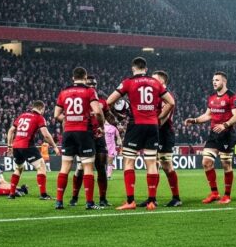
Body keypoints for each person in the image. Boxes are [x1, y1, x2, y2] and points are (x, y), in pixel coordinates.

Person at [107, 57, 174, 210]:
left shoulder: (128, 82)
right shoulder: (156, 83)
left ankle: (130, 201)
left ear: (133, 68)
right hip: (152, 126)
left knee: (129, 161)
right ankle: (151, 201)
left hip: (135, 125)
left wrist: (116, 116)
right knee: (151, 162)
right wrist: (159, 117)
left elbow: (109, 101)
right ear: (146, 68)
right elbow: (171, 102)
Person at [184, 71, 236, 205]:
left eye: (217, 80)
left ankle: (227, 195)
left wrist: (225, 125)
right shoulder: (211, 98)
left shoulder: (232, 97)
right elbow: (207, 115)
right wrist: (193, 120)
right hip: (213, 135)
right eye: (213, 80)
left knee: (226, 164)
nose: (214, 82)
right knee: (206, 162)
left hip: (227, 134)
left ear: (224, 81)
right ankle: (214, 193)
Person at [53, 67, 105, 210]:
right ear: (85, 77)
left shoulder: (63, 92)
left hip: (68, 132)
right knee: (88, 166)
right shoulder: (89, 91)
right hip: (84, 132)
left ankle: (59, 201)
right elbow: (97, 112)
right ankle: (89, 202)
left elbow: (56, 114)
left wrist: (68, 119)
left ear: (73, 78)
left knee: (65, 167)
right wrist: (101, 126)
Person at [70, 76, 116, 207]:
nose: (93, 86)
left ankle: (103, 199)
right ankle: (74, 197)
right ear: (84, 82)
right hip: (84, 136)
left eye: (94, 84)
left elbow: (108, 115)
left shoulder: (101, 101)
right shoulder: (78, 99)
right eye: (90, 83)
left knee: (101, 167)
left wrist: (117, 123)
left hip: (99, 137)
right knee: (80, 168)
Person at [6, 100, 60, 200]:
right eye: (43, 109)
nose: (44, 111)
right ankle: (43, 195)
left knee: (18, 168)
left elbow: (11, 131)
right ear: (41, 108)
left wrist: (9, 146)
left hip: (16, 146)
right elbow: (46, 135)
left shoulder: (22, 115)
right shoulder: (39, 118)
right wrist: (55, 146)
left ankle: (12, 194)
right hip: (27, 146)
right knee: (41, 166)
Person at [151, 70, 182, 207]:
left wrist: (152, 127)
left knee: (166, 165)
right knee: (153, 165)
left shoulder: (166, 96)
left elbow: (164, 118)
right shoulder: (155, 95)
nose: (151, 82)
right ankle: (152, 198)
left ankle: (176, 197)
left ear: (162, 81)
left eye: (154, 80)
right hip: (155, 132)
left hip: (164, 133)